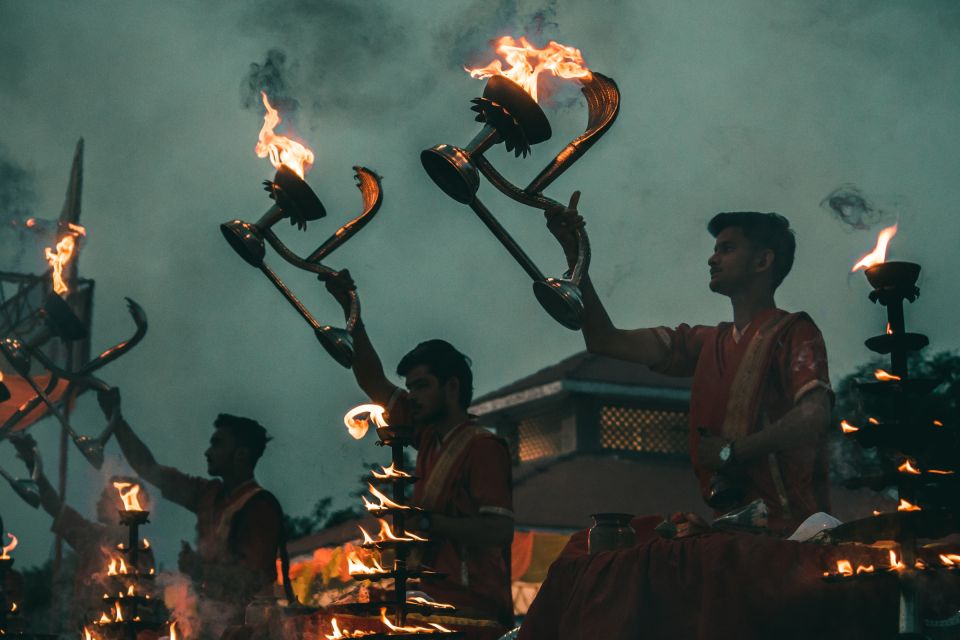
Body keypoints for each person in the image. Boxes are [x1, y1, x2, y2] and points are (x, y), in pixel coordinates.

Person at [545, 193, 832, 533]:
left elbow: (814, 415)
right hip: (727, 528)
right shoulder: (704, 343)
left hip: (789, 532)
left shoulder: (795, 331)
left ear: (762, 261)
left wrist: (733, 452)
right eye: (715, 249)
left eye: (727, 249)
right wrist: (576, 254)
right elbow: (605, 340)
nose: (712, 259)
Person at [326, 274, 514, 640]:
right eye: (410, 387)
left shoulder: (483, 447)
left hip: (470, 609)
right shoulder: (428, 436)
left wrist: (427, 524)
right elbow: (373, 382)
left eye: (421, 386)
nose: (411, 396)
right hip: (429, 599)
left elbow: (499, 530)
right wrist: (351, 310)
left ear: (452, 387)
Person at [103, 388, 290, 638]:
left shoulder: (260, 507)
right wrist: (115, 420)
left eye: (217, 444)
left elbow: (251, 580)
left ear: (241, 454)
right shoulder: (208, 494)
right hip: (213, 624)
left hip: (252, 630)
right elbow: (149, 468)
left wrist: (198, 568)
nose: (207, 451)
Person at [10, 433, 156, 632]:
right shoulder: (92, 536)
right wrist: (32, 463)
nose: (99, 501)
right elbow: (54, 505)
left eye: (105, 497)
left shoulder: (138, 551)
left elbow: (139, 606)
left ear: (125, 504)